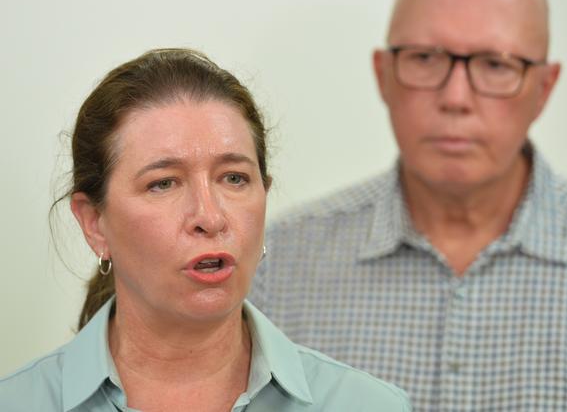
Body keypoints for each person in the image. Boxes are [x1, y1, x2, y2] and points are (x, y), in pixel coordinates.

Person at [249, 0, 567, 410]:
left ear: (544, 89)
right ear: (383, 75)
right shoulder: (274, 267)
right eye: (424, 58)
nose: (455, 97)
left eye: (496, 65)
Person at [0, 48, 412, 411]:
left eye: (234, 178)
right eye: (163, 183)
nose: (210, 217)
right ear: (94, 223)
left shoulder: (365, 404)